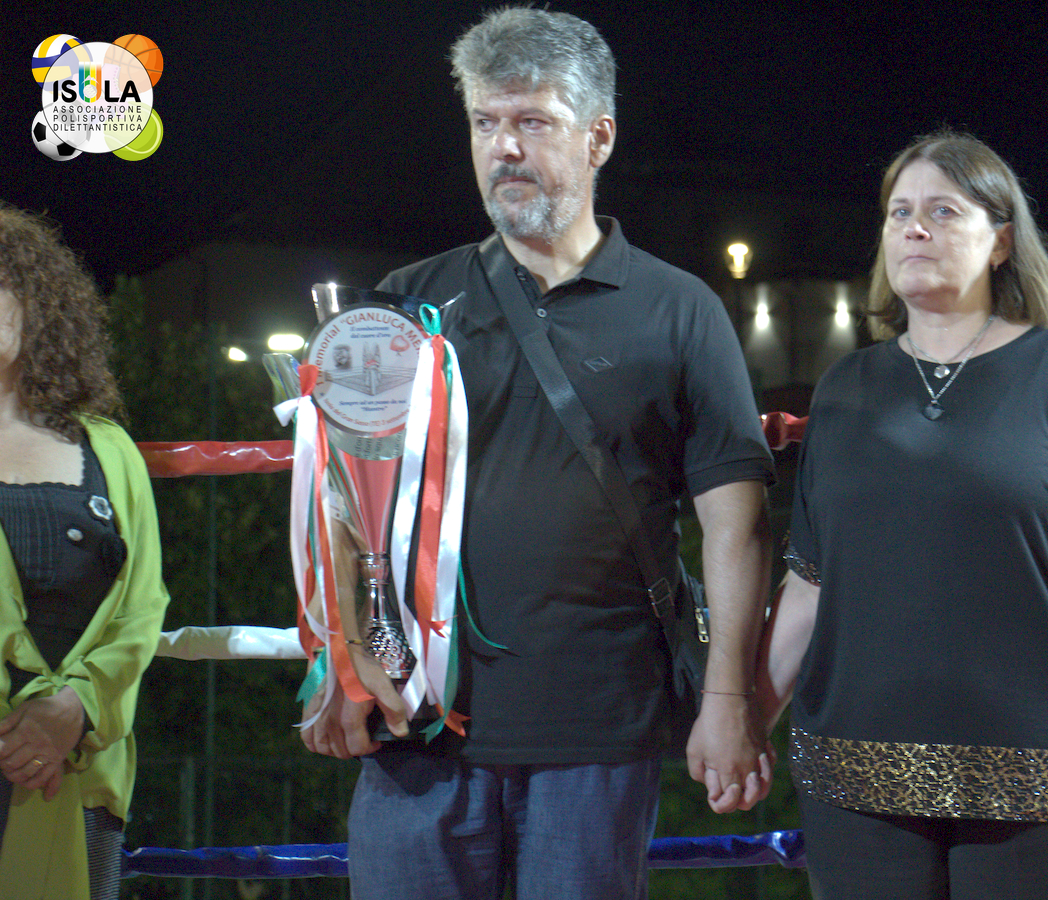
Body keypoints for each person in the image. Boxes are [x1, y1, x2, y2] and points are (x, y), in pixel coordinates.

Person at [299, 9, 775, 899]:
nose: (504, 148)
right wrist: (345, 666)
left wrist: (726, 701)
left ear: (599, 137)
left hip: (600, 731)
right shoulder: (408, 301)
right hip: (418, 725)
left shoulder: (680, 310)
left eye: (532, 122)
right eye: (485, 122)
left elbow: (735, 526)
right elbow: (343, 506)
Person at [756, 131, 1048, 900]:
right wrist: (741, 722)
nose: (915, 228)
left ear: (1002, 241)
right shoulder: (844, 387)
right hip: (857, 770)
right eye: (900, 212)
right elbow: (810, 582)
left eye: (942, 210)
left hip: (1047, 765)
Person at [0, 204, 171, 899]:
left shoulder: (109, 448)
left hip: (77, 768)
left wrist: (74, 710)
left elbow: (143, 608)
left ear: (36, 303)